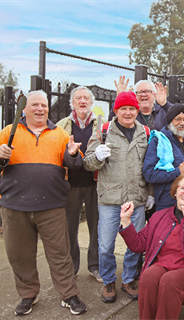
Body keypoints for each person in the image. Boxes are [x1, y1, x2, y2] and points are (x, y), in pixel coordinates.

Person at [0, 90, 87, 315]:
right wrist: (0, 155)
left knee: (60, 253)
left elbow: (72, 162)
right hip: (14, 207)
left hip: (51, 207)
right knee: (19, 254)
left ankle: (68, 294)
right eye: (35, 105)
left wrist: (72, 154)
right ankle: (28, 294)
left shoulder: (59, 133)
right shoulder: (9, 132)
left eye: (43, 105)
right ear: (25, 108)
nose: (40, 109)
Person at [83, 91, 152, 303]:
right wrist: (97, 156)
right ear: (116, 111)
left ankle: (129, 278)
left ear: (137, 111)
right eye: (124, 109)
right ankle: (108, 280)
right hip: (110, 199)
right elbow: (87, 163)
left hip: (136, 199)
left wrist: (150, 193)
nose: (128, 113)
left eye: (132, 108)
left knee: (135, 245)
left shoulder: (146, 133)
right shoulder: (103, 131)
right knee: (105, 245)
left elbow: (149, 164)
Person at [119, 173, 184, 320]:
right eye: (182, 188)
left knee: (170, 281)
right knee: (148, 275)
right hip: (162, 266)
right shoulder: (159, 216)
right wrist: (125, 220)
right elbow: (138, 245)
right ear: (174, 192)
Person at [57, 86, 105, 282]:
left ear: (91, 102)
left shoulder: (100, 124)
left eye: (86, 98)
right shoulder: (62, 125)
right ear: (72, 103)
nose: (82, 101)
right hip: (71, 185)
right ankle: (73, 266)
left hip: (95, 184)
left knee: (96, 227)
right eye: (78, 98)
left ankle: (95, 265)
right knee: (70, 228)